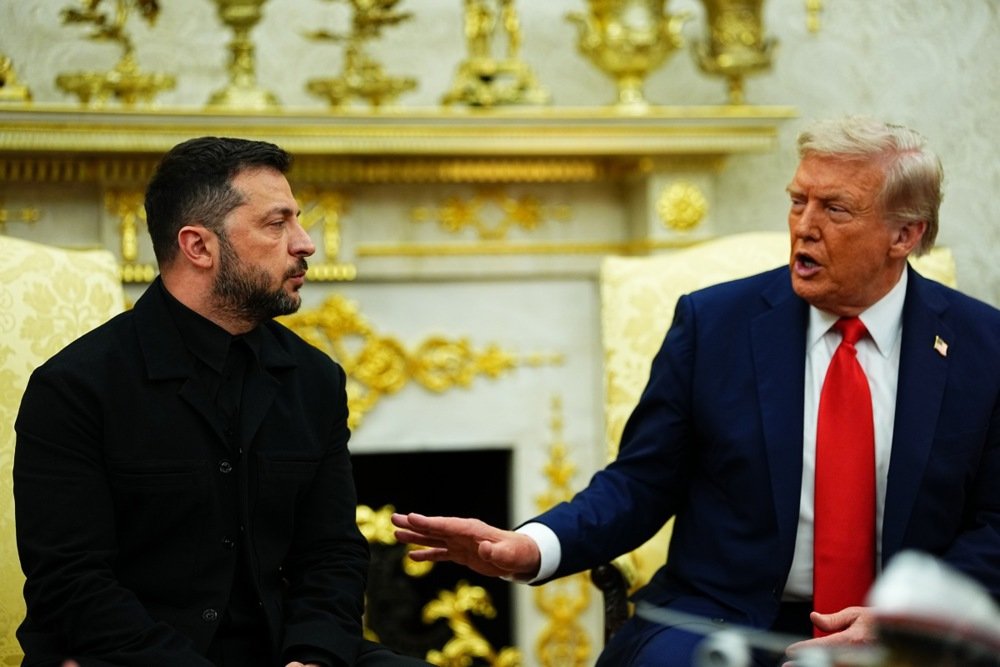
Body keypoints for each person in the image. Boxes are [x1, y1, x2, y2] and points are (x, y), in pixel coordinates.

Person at [392, 117, 1000, 666]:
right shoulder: (717, 325)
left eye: (836, 210)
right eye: (797, 201)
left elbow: (995, 522)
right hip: (724, 613)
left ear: (905, 235)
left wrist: (908, 619)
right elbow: (641, 481)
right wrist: (531, 546)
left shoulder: (983, 346)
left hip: (905, 632)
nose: (804, 228)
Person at [14, 137, 429, 667]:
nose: (305, 244)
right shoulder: (74, 388)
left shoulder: (315, 379)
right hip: (133, 656)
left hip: (283, 650)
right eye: (277, 224)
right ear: (199, 247)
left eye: (298, 221)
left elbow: (332, 553)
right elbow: (71, 582)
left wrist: (314, 657)